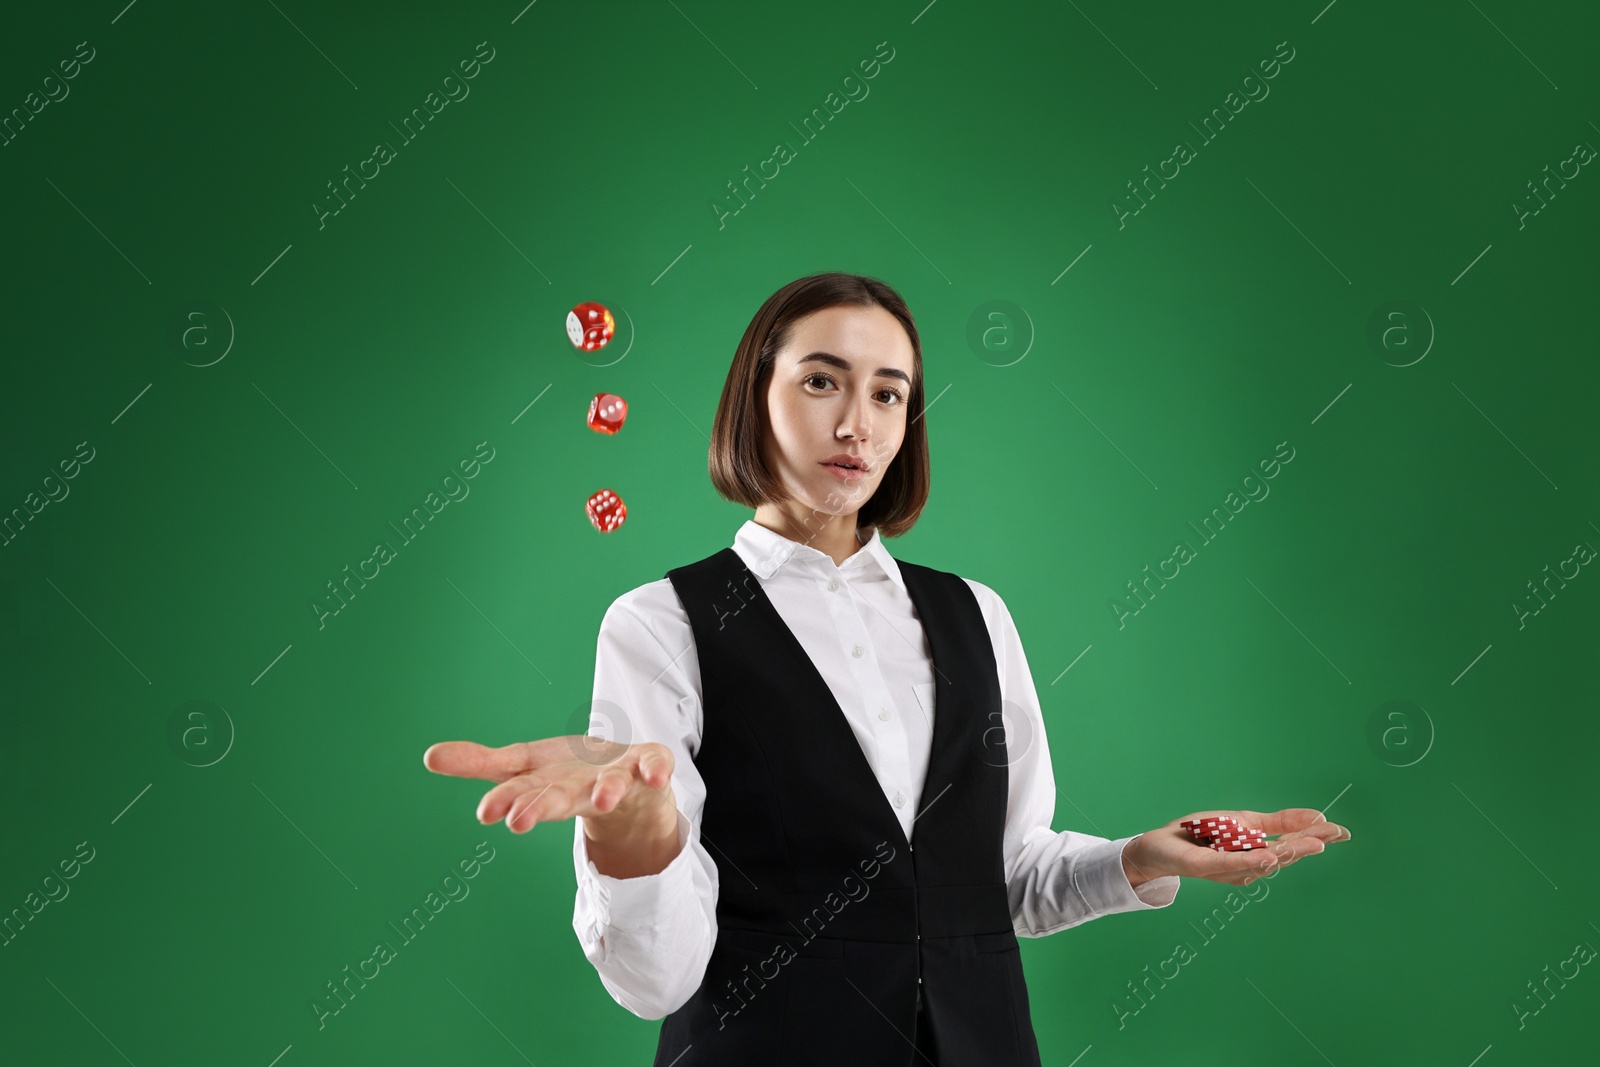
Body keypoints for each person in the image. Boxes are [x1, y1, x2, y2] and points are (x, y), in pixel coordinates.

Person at [424, 271, 1352, 1065]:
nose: (856, 424)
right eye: (822, 380)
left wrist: (1141, 858)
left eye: (888, 392)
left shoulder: (976, 614)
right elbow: (654, 978)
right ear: (756, 394)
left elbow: (1000, 877)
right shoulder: (660, 623)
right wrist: (638, 833)